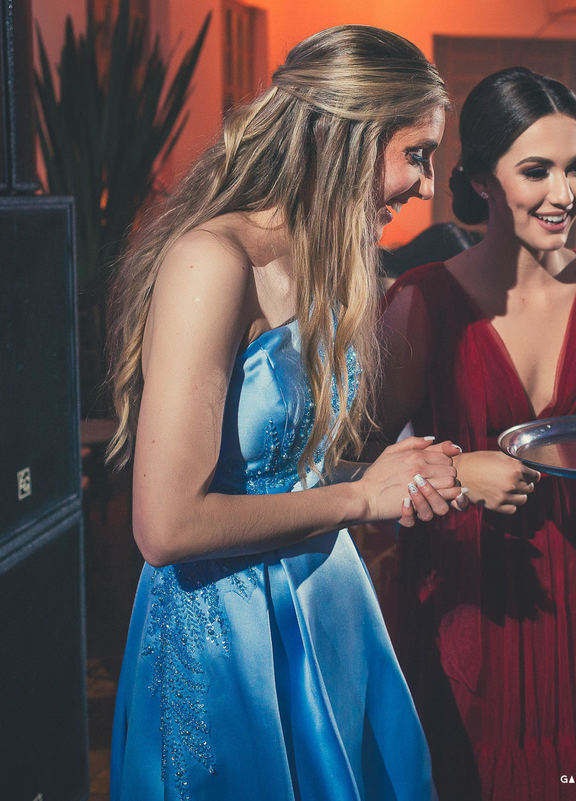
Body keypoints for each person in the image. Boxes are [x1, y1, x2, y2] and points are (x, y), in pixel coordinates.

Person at [103, 26, 464, 800]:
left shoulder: (328, 260)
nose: (427, 186)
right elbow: (165, 526)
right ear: (349, 135)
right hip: (228, 635)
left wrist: (393, 475)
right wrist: (360, 497)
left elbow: (281, 468)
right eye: (417, 153)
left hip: (326, 603)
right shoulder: (213, 261)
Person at [374, 67, 576, 800]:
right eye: (537, 171)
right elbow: (358, 466)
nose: (564, 193)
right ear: (481, 181)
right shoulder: (422, 303)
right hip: (471, 602)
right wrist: (452, 473)